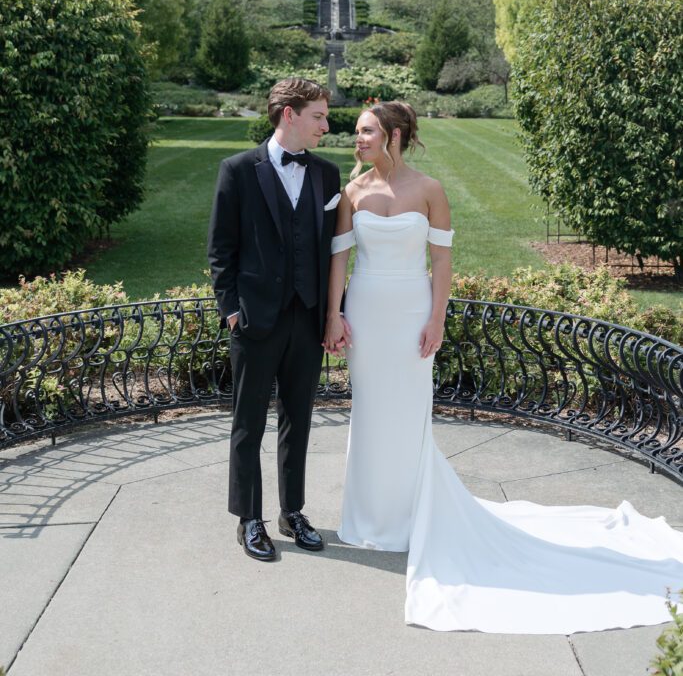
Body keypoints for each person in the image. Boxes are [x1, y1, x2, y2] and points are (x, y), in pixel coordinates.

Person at [324, 100, 683, 633]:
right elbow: (339, 260)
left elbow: (441, 260)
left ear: (395, 135)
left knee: (407, 414)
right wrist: (335, 313)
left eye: (366, 131)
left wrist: (437, 319)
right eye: (356, 132)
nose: (357, 139)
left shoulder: (430, 190)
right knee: (371, 412)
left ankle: (410, 517)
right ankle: (367, 520)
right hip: (367, 313)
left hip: (410, 313)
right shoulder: (351, 193)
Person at [208, 77, 343, 562]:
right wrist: (231, 311)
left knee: (299, 420)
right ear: (289, 114)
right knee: (248, 423)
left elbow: (332, 250)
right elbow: (221, 250)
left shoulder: (328, 175)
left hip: (306, 318)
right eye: (318, 116)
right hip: (255, 319)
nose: (327, 125)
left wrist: (333, 313)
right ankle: (249, 518)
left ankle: (293, 512)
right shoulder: (238, 170)